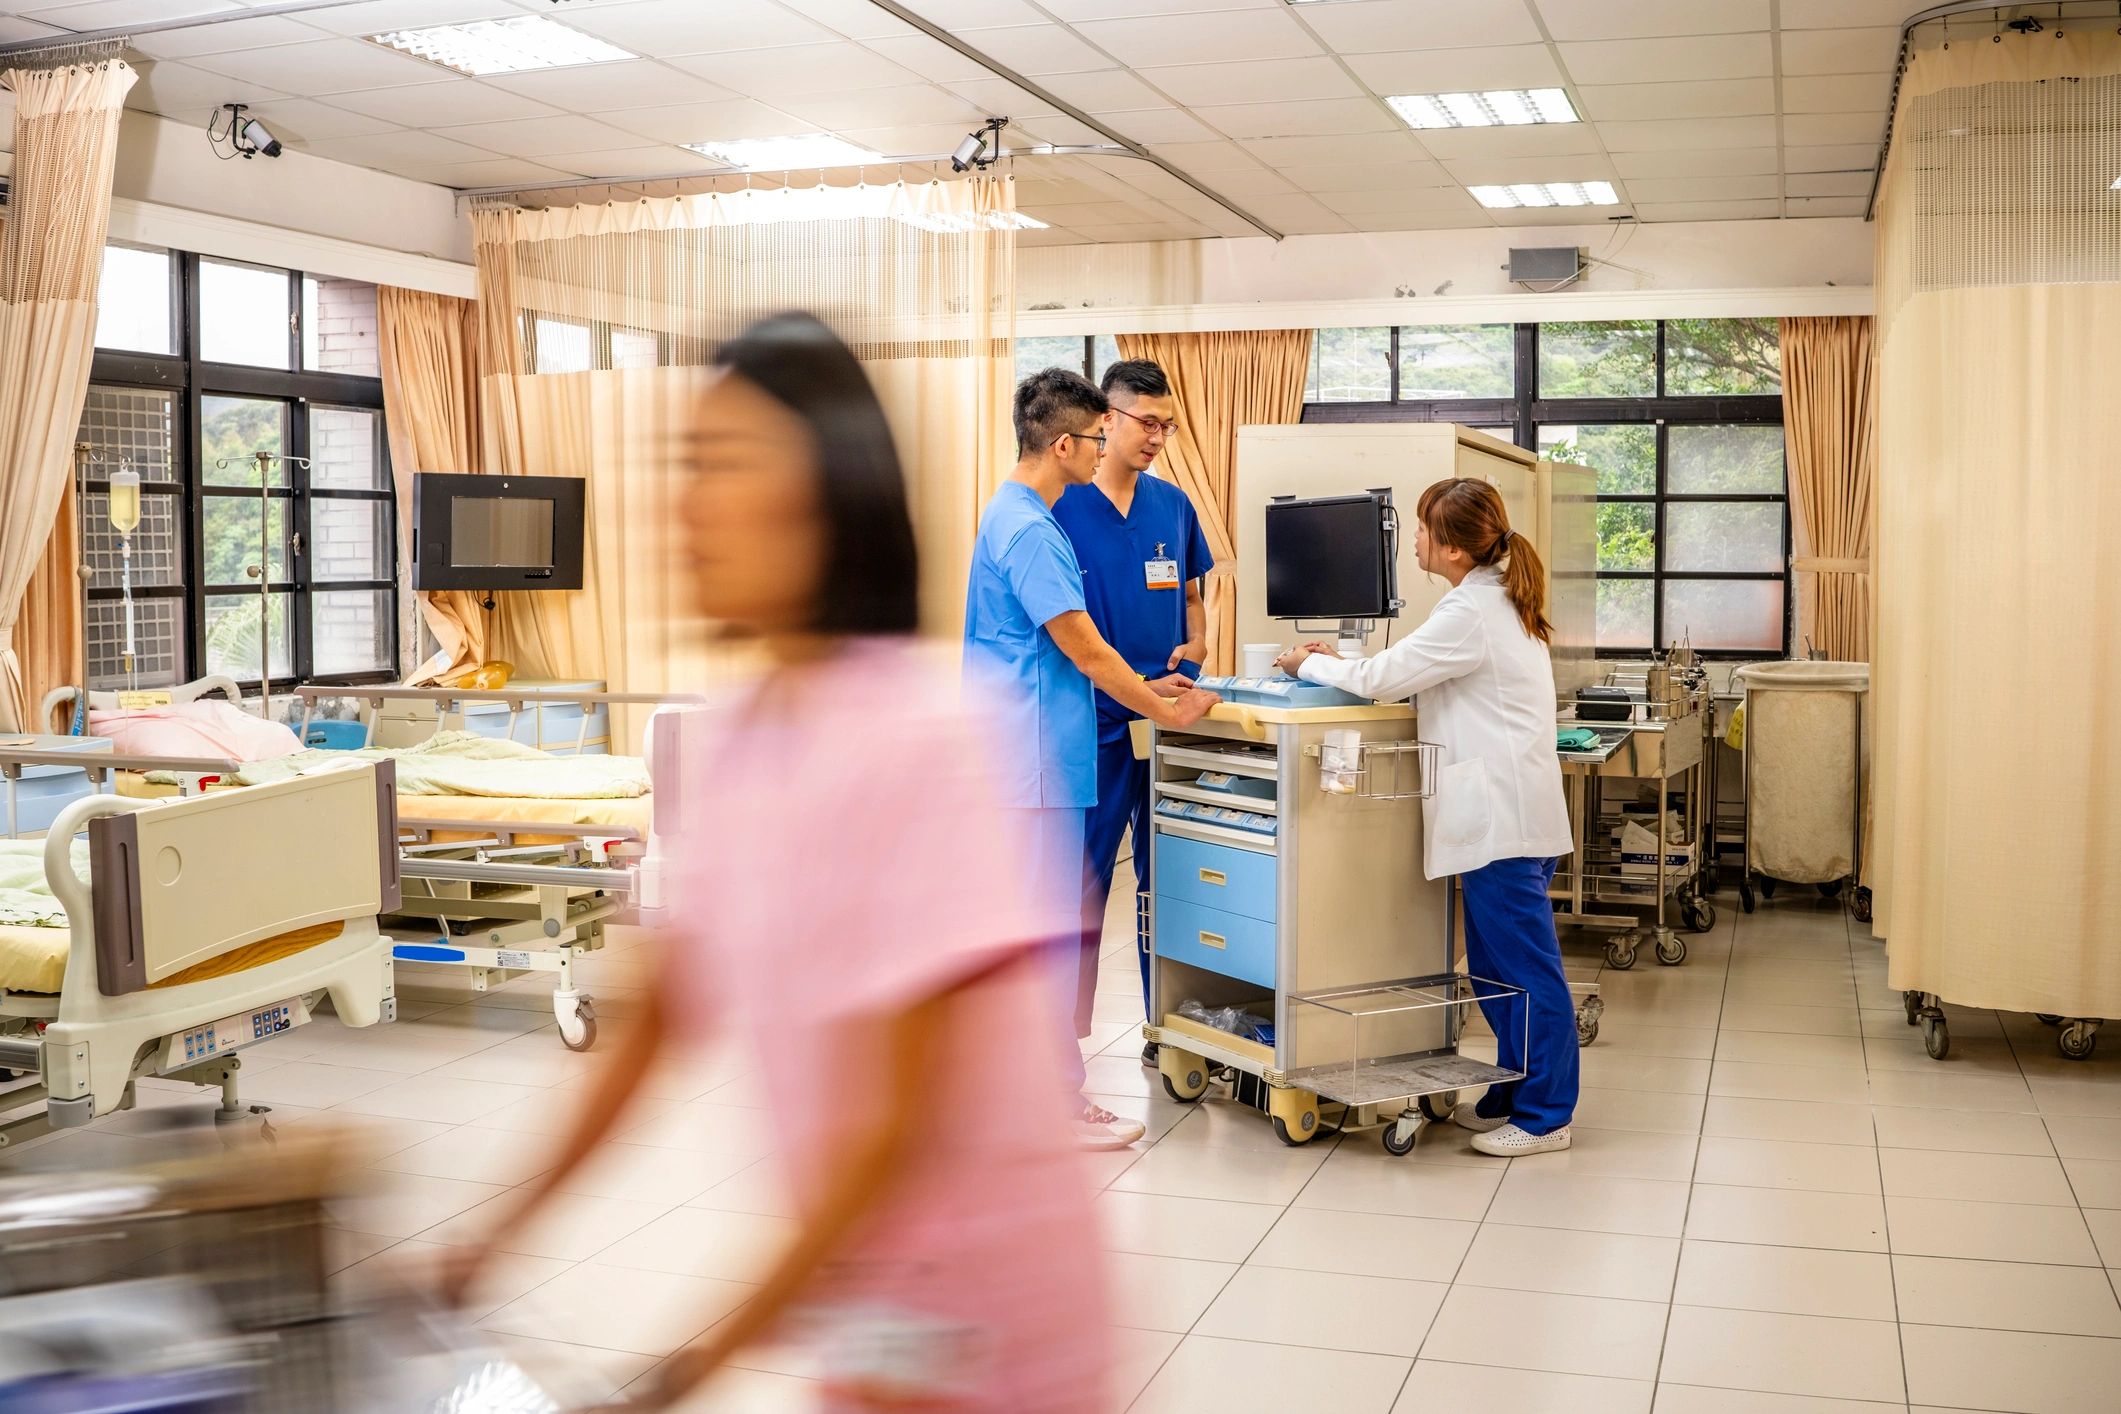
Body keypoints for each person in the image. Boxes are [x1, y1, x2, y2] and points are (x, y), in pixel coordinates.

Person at [437, 313, 1111, 1411]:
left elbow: (894, 1132)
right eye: (685, 467)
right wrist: (489, 1236)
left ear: (829, 493)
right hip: (871, 1305)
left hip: (985, 1321)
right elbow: (657, 1020)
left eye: (724, 465)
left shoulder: (928, 736)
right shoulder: (744, 732)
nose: (686, 508)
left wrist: (692, 1360)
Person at [1275, 477, 1578, 1155]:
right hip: (1501, 817)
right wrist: (1337, 663)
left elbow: (1387, 678)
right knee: (1497, 973)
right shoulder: (1484, 601)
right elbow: (1407, 667)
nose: (1410, 538)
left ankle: (1546, 1115)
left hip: (1502, 821)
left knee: (1526, 974)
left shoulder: (1471, 611)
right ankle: (1510, 1087)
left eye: (1418, 528)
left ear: (1447, 547)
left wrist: (1306, 666)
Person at [965, 367, 1218, 1151]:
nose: (1120, 442)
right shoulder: (1037, 528)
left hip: (1029, 749)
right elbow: (1088, 652)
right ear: (1072, 441)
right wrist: (1168, 706)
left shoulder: (1012, 512)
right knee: (1049, 929)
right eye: (1109, 431)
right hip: (1039, 755)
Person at [1052, 359, 1213, 1070]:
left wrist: (1200, 639)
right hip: (1090, 726)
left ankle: (1167, 1025)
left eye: (1167, 426)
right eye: (1147, 422)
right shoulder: (1056, 506)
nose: (1158, 437)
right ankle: (1058, 1039)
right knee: (1081, 882)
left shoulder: (1171, 506)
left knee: (1170, 875)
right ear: (1104, 420)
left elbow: (1192, 594)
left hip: (1166, 715)